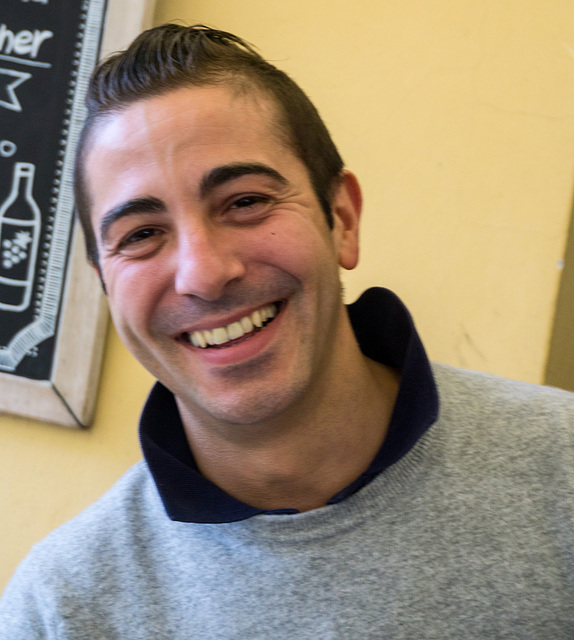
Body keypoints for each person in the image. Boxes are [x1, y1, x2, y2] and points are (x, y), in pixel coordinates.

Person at [1, 23, 573, 639]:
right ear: (106, 284)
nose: (204, 275)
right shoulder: (60, 610)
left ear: (342, 219)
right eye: (141, 235)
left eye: (244, 201)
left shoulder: (561, 470)